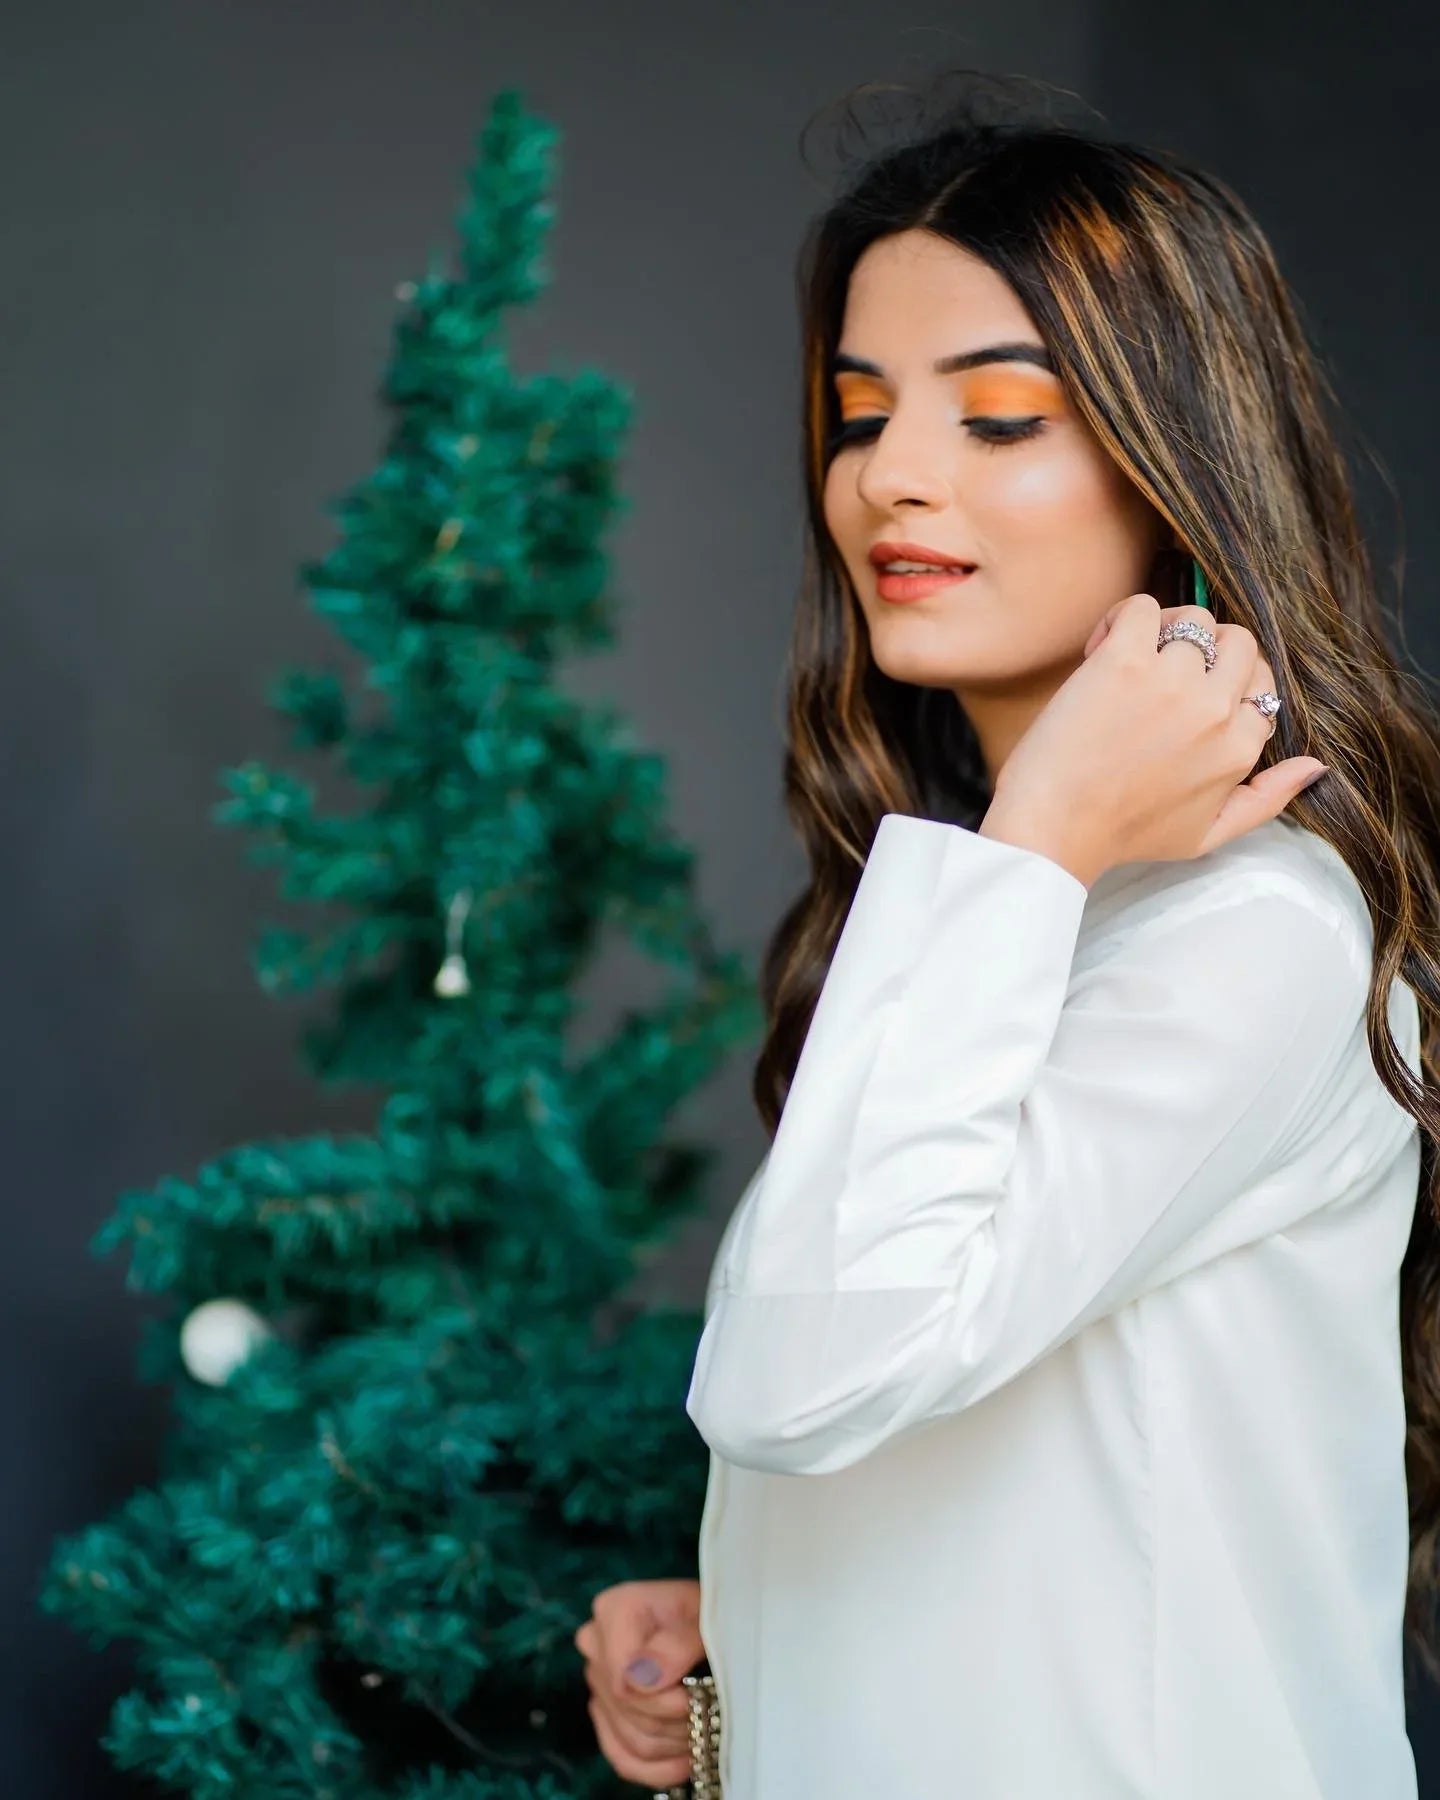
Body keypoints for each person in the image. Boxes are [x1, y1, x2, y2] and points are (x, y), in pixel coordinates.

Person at [576, 76, 1440, 1797]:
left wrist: (1036, 834)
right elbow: (937, 1390)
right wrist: (761, 1609)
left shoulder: (1254, 927)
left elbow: (802, 1372)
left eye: (997, 417)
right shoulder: (1017, 896)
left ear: (1174, 468)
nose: (888, 476)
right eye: (860, 411)